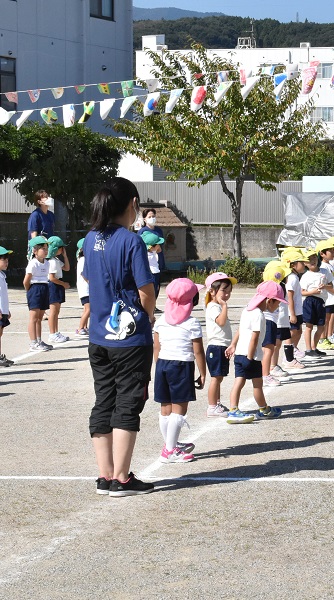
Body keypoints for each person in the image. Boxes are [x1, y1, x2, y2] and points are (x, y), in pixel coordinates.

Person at [84, 177, 156, 497]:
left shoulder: (90, 238)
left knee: (104, 401)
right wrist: (149, 316)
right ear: (132, 204)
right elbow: (146, 291)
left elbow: (89, 278)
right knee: (128, 402)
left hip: (99, 336)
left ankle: (105, 476)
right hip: (129, 339)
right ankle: (122, 478)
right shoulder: (132, 241)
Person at [153, 278, 206, 463]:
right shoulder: (192, 323)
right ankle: (170, 450)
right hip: (181, 365)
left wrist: (158, 366)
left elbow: (156, 348)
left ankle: (170, 443)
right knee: (179, 409)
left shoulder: (160, 321)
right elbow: (198, 350)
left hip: (162, 365)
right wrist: (203, 372)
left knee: (165, 407)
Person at [228, 281, 286, 423]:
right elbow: (254, 339)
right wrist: (250, 357)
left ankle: (233, 410)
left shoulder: (247, 310)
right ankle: (264, 409)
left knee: (238, 382)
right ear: (269, 300)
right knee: (257, 385)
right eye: (277, 303)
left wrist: (233, 345)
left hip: (239, 354)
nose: (278, 306)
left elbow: (240, 330)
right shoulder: (259, 315)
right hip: (251, 356)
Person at [204, 271, 238, 417]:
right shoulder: (213, 307)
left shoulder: (217, 306)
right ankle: (212, 406)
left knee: (219, 377)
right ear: (212, 291)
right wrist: (224, 306)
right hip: (216, 347)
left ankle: (216, 403)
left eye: (229, 292)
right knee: (216, 378)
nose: (227, 295)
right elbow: (221, 321)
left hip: (221, 346)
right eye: (224, 291)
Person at [24, 236, 53, 352]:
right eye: (43, 249)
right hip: (35, 289)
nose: (46, 251)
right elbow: (26, 281)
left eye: (46, 248)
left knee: (40, 318)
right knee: (33, 317)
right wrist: (30, 291)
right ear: (35, 251)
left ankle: (39, 340)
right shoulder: (33, 263)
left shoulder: (47, 263)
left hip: (44, 287)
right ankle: (33, 342)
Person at [300, 251, 328, 361]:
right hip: (310, 301)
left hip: (321, 302)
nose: (312, 261)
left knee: (321, 326)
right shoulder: (305, 276)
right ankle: (308, 350)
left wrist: (325, 286)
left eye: (314, 258)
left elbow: (330, 283)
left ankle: (314, 347)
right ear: (305, 263)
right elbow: (302, 292)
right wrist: (312, 292)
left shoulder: (324, 271)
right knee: (309, 326)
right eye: (309, 259)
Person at [283, 248, 308, 370]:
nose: (304, 264)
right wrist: (292, 314)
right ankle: (288, 358)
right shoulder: (292, 278)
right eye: (301, 262)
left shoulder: (295, 277)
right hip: (292, 311)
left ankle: (292, 352)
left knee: (298, 331)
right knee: (291, 333)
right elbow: (289, 296)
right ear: (293, 264)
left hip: (298, 310)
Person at [46, 236, 70, 345]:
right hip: (53, 285)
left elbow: (67, 268)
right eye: (61, 248)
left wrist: (65, 256)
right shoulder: (51, 261)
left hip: (57, 285)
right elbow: (51, 278)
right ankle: (52, 334)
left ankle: (56, 332)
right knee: (53, 312)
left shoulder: (56, 260)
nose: (62, 250)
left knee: (57, 312)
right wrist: (63, 284)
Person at [137, 208, 166, 296]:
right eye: (149, 217)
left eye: (153, 216)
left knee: (157, 284)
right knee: (150, 283)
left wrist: (158, 247)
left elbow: (162, 242)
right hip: (148, 261)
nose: (152, 218)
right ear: (144, 219)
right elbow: (139, 246)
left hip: (158, 258)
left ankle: (154, 304)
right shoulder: (142, 231)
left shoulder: (158, 230)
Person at [141, 231, 165, 301]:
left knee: (154, 291)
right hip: (153, 274)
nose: (159, 246)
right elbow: (158, 250)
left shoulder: (150, 253)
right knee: (153, 292)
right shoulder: (149, 255)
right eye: (158, 244)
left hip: (154, 273)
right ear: (151, 247)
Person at [75, 238, 90, 337]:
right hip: (85, 289)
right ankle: (80, 328)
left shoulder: (84, 259)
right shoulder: (83, 260)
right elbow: (84, 275)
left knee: (86, 309)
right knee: (89, 309)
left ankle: (85, 327)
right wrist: (92, 283)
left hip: (86, 289)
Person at [0, 246, 12, 367]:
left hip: (2, 310)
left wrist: (6, 310)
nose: (6, 262)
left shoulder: (2, 275)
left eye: (7, 260)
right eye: (4, 259)